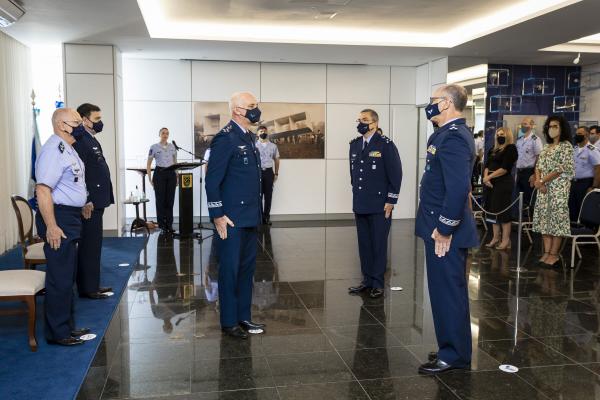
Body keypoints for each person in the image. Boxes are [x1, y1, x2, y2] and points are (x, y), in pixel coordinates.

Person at [415, 84, 478, 375]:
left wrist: (444, 228)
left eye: (432, 101)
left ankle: (454, 355)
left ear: (446, 104)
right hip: (436, 225)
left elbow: (456, 190)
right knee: (443, 291)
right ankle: (451, 347)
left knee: (448, 292)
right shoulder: (444, 134)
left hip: (444, 231)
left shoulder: (454, 138)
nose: (429, 105)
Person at [205, 91, 265, 339]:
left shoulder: (249, 137)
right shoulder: (225, 139)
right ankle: (229, 321)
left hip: (250, 216)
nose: (256, 110)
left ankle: (243, 317)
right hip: (231, 219)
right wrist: (217, 214)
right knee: (229, 271)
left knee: (246, 271)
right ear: (237, 110)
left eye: (256, 105)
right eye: (251, 106)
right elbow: (212, 180)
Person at [35, 108, 91, 346]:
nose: (81, 125)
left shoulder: (68, 148)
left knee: (67, 275)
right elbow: (43, 189)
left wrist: (83, 202)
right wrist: (51, 226)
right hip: (57, 218)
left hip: (69, 216)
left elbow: (72, 183)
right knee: (60, 276)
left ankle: (67, 326)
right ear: (61, 124)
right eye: (76, 122)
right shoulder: (53, 150)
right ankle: (58, 333)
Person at [347, 110, 402, 299]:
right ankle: (367, 280)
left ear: (375, 123)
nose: (360, 123)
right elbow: (353, 174)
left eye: (364, 120)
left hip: (380, 204)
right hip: (361, 202)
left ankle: (378, 282)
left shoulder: (386, 145)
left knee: (378, 243)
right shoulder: (354, 145)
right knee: (364, 244)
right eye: (359, 119)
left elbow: (396, 174)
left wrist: (391, 200)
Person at [72, 103, 114, 299]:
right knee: (89, 246)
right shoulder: (80, 141)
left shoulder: (91, 139)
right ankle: (88, 288)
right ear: (84, 120)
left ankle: (92, 284)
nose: (100, 123)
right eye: (97, 119)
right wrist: (86, 199)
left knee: (94, 245)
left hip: (98, 200)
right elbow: (78, 174)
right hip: (90, 203)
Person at [532, 115, 575, 267]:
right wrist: (538, 181)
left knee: (556, 220)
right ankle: (546, 252)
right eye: (550, 126)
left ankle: (554, 254)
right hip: (543, 189)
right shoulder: (545, 147)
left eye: (555, 126)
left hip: (558, 188)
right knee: (544, 220)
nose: (552, 129)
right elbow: (538, 166)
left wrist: (542, 181)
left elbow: (560, 169)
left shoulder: (566, 146)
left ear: (562, 128)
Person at [483, 127, 518, 250]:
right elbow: (486, 165)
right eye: (498, 134)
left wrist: (489, 177)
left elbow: (505, 168)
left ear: (507, 135)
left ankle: (506, 240)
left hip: (503, 183)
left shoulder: (511, 149)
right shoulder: (493, 149)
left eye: (502, 134)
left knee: (503, 212)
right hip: (490, 183)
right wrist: (486, 177)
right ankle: (495, 237)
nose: (499, 136)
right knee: (492, 211)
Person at [147, 127, 177, 233]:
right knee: (160, 201)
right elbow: (149, 164)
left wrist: (176, 176)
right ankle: (162, 225)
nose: (165, 135)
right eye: (163, 133)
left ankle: (169, 225)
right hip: (159, 174)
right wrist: (150, 178)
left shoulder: (172, 147)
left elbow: (175, 162)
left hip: (171, 174)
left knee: (170, 200)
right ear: (159, 134)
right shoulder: (154, 147)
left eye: (167, 133)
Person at [568, 126, 600, 221]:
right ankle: (573, 230)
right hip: (574, 183)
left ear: (586, 135)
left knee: (583, 209)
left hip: (585, 184)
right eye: (576, 134)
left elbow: (598, 169)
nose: (576, 136)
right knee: (572, 208)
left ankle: (583, 232)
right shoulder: (575, 149)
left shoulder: (592, 149)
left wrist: (593, 187)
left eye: (579, 134)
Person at [515, 117, 543, 207]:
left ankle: (530, 219)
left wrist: (534, 174)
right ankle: (521, 219)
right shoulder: (519, 140)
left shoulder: (535, 140)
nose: (523, 126)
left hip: (529, 172)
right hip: (519, 172)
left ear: (531, 126)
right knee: (519, 199)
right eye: (522, 124)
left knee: (529, 199)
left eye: (525, 124)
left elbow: (540, 158)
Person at [256, 125, 280, 225]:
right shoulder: (254, 145)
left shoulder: (273, 146)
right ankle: (260, 217)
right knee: (258, 196)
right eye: (261, 131)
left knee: (268, 196)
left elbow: (277, 159)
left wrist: (276, 173)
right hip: (258, 173)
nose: (263, 133)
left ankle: (266, 217)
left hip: (269, 172)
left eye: (265, 131)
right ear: (257, 134)